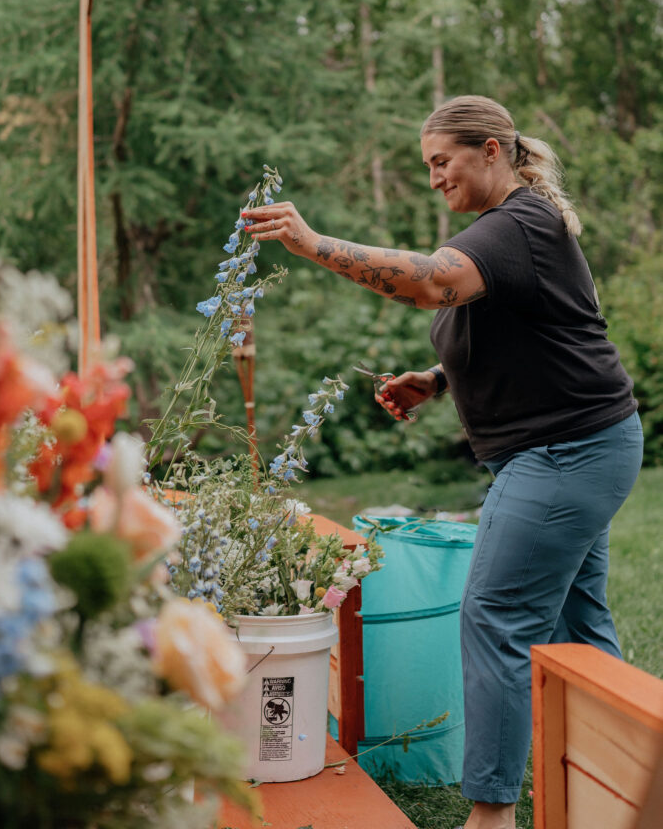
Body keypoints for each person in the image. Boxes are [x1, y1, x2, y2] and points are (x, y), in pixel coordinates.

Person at [241, 94, 642, 829]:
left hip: (563, 454)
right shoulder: (509, 232)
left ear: (490, 150)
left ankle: (488, 818)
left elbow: (429, 281)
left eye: (441, 161)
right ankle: (618, 793)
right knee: (573, 631)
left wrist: (309, 242)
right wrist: (436, 380)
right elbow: (542, 334)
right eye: (427, 165)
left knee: (494, 617)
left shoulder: (516, 225)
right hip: (576, 447)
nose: (433, 178)